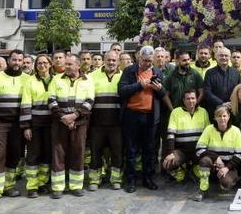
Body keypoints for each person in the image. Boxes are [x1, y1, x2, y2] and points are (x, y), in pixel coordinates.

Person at [0, 49, 29, 204]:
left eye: (19, 60)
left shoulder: (27, 79)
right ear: (8, 61)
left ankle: (9, 186)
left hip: (18, 124)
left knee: (15, 155)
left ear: (23, 62)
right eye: (14, 60)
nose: (17, 63)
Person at [119, 46, 166, 192]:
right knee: (131, 150)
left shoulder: (156, 71)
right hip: (132, 115)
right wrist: (140, 85)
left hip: (150, 116)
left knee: (149, 150)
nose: (148, 64)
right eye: (145, 60)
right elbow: (121, 91)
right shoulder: (129, 71)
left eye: (150, 61)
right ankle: (131, 180)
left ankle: (147, 178)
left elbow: (163, 94)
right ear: (139, 58)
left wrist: (159, 89)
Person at [46, 55, 93, 198]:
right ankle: (58, 187)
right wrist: (63, 117)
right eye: (66, 64)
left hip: (79, 123)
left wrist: (74, 117)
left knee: (78, 153)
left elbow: (89, 102)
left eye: (70, 64)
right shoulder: (56, 79)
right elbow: (51, 101)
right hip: (60, 123)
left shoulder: (88, 80)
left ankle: (76, 186)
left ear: (78, 65)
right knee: (58, 153)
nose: (66, 66)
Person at [88, 51, 123, 191]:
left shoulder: (123, 76)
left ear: (118, 62)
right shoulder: (92, 76)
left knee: (117, 152)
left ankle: (116, 179)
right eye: (108, 60)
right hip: (97, 123)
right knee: (96, 152)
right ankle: (94, 179)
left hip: (117, 123)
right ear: (103, 60)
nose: (111, 63)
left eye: (114, 60)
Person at [193, 105, 241, 201]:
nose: (222, 118)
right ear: (215, 117)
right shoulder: (209, 129)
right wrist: (216, 158)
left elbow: (239, 154)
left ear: (229, 116)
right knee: (204, 161)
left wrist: (226, 168)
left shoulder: (236, 131)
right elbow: (199, 149)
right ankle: (203, 189)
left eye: (224, 116)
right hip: (213, 165)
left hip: (228, 167)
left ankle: (230, 180)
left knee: (226, 183)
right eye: (219, 116)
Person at [20, 54, 53, 198]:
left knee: (47, 154)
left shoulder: (56, 79)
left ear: (50, 64)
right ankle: (32, 186)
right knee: (33, 155)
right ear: (35, 65)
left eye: (45, 62)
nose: (42, 65)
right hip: (35, 125)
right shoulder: (30, 81)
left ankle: (42, 183)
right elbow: (26, 103)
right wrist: (26, 126)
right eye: (39, 63)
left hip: (51, 125)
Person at [163, 89, 210, 184]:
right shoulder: (176, 112)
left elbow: (208, 133)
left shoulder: (203, 112)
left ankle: (195, 166)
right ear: (183, 100)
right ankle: (181, 169)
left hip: (198, 151)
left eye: (193, 98)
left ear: (197, 99)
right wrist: (171, 153)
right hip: (181, 151)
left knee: (207, 163)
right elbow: (171, 134)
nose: (191, 101)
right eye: (188, 99)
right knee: (168, 163)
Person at [203, 47, 241, 116]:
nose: (224, 58)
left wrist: (232, 103)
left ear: (230, 58)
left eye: (226, 56)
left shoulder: (236, 73)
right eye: (221, 55)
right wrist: (221, 103)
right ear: (216, 57)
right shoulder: (209, 73)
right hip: (215, 109)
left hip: (232, 109)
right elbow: (207, 92)